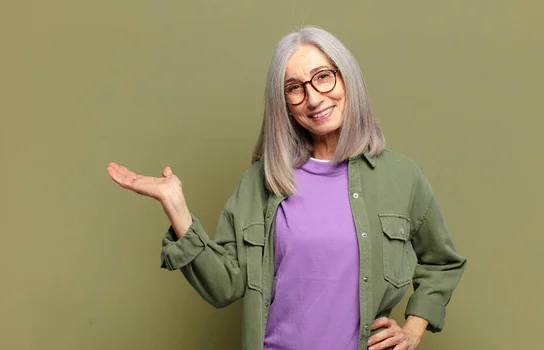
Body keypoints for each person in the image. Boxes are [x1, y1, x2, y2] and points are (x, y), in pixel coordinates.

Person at [106, 26, 466, 350]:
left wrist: (414, 328)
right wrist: (176, 204)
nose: (313, 98)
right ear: (285, 105)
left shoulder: (402, 177)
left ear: (347, 79)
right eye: (295, 88)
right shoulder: (261, 181)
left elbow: (443, 263)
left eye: (323, 77)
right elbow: (223, 286)